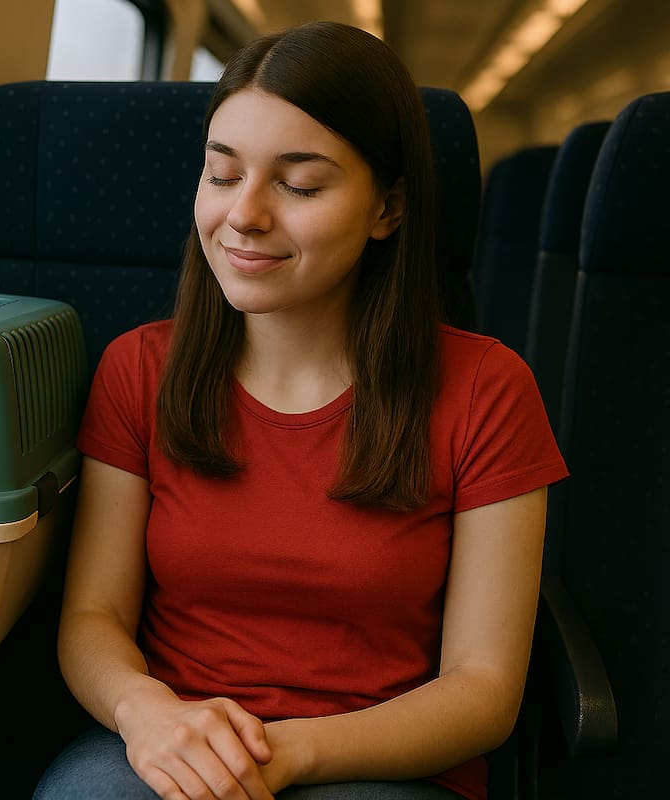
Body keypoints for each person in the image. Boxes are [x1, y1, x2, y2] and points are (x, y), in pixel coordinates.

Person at [33, 20, 568, 800]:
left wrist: (285, 756)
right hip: (171, 741)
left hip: (386, 763)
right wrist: (145, 711)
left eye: (300, 184)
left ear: (387, 209)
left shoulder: (488, 388)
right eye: (222, 176)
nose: (244, 215)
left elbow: (483, 690)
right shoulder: (139, 368)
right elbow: (92, 618)